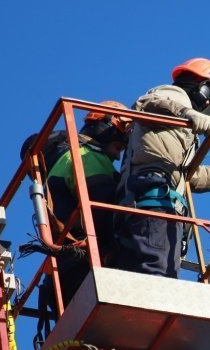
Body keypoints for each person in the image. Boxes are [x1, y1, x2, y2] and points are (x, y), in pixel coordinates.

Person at [114, 58, 210, 278]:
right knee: (156, 278)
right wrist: (187, 113)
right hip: (153, 204)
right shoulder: (173, 95)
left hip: (158, 207)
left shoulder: (180, 132)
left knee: (159, 277)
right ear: (205, 90)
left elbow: (192, 176)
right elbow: (146, 103)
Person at [20, 101, 131, 302]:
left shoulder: (59, 167)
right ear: (106, 128)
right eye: (118, 146)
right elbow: (102, 206)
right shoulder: (87, 155)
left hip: (64, 274)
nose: (117, 155)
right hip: (89, 264)